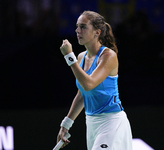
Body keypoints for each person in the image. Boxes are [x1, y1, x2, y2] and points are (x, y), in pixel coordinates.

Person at [56, 10, 132, 150]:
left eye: (83, 27)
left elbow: (88, 84)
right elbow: (81, 95)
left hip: (112, 122)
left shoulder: (108, 56)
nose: (78, 30)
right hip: (91, 124)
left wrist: (69, 57)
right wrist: (65, 125)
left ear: (97, 32)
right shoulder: (80, 57)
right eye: (77, 26)